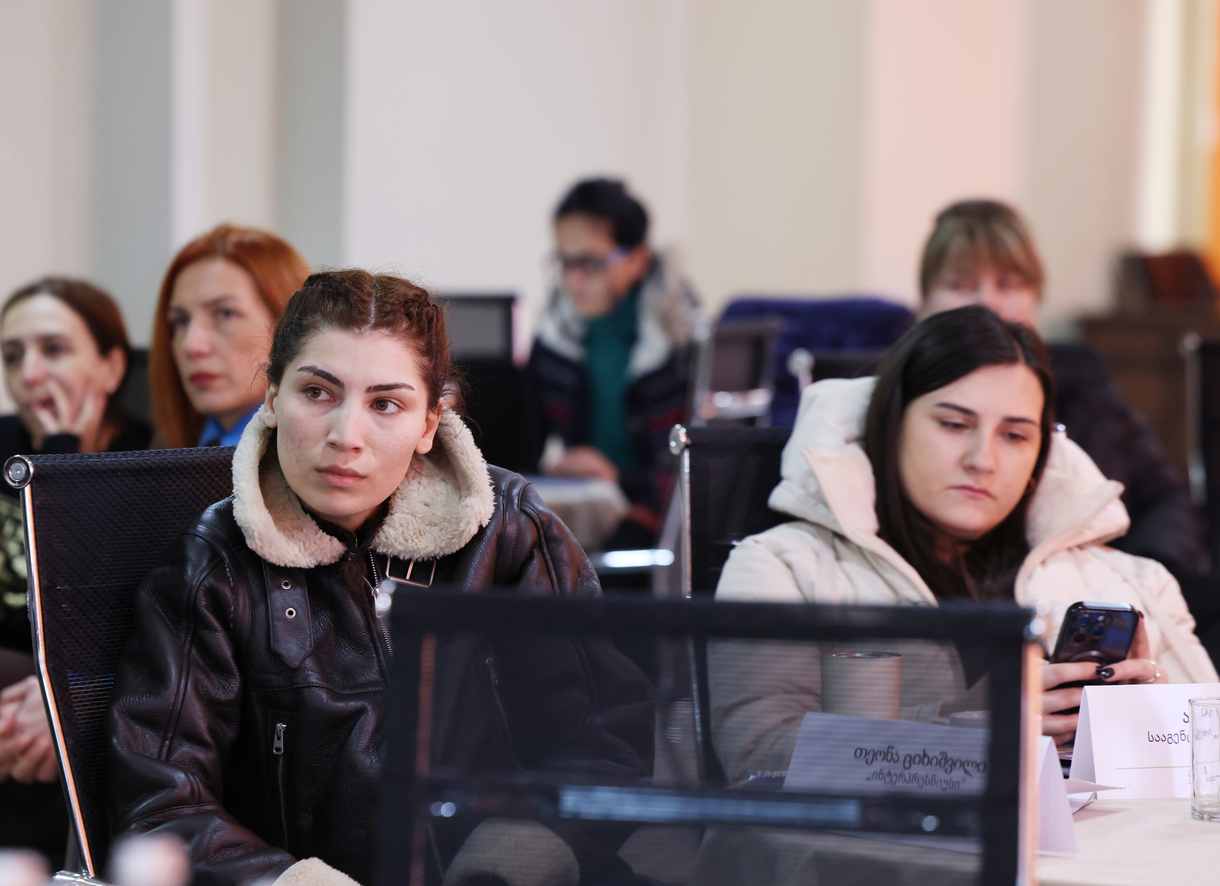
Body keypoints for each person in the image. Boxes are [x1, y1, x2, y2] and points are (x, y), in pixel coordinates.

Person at [108, 270, 654, 886]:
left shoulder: (508, 530)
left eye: (385, 404)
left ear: (430, 424)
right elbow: (162, 808)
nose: (346, 437)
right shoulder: (211, 571)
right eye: (317, 392)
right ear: (272, 399)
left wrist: (523, 851)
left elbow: (605, 740)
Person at [710, 306, 1216, 787]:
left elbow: (1210, 764)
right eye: (954, 424)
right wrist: (980, 729)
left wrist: (1145, 723)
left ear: (1041, 455)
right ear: (890, 424)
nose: (983, 459)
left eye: (1015, 435)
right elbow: (758, 759)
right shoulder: (781, 569)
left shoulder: (1136, 583)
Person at [918, 199, 1200, 580]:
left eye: (1009, 284)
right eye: (961, 285)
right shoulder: (899, 394)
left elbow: (1164, 498)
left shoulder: (1084, 384)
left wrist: (1138, 580)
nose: (988, 303)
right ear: (924, 302)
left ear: (1036, 297)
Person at [0, 277, 152, 863]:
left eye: (54, 349)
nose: (30, 374)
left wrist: (63, 455)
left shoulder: (148, 460)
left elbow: (87, 622)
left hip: (88, 690)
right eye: (13, 355)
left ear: (112, 368)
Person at [528, 178, 701, 549]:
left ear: (637, 259)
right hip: (586, 505)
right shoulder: (554, 339)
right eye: (564, 262)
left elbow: (689, 477)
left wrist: (616, 477)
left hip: (658, 518)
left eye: (589, 263)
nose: (573, 280)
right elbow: (525, 445)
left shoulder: (680, 341)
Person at [150, 223, 310, 448]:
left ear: (289, 326)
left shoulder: (323, 456)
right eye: (181, 320)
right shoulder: (162, 451)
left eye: (225, 313)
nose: (191, 345)